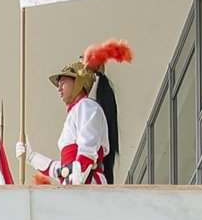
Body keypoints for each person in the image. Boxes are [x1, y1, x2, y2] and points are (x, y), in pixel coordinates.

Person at [30, 40, 132, 185]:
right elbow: (63, 169)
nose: (59, 88)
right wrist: (32, 157)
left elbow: (87, 148)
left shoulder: (86, 106)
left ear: (78, 82)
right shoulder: (77, 111)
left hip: (86, 181)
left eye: (63, 82)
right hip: (75, 181)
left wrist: (78, 180)